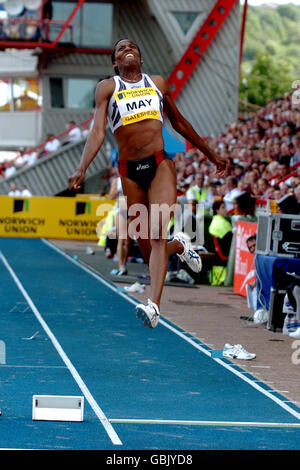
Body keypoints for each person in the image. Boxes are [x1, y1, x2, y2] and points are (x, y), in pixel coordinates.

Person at [68, 38, 227, 329]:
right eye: (120, 49)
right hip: (129, 173)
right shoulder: (107, 88)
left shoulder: (157, 83)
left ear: (141, 59)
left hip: (160, 165)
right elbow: (98, 131)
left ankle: (153, 306)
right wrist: (82, 168)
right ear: (116, 63)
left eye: (133, 47)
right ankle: (179, 245)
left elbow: (179, 122)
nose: (127, 49)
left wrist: (211, 154)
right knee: (147, 245)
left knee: (155, 234)